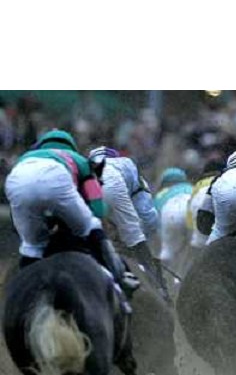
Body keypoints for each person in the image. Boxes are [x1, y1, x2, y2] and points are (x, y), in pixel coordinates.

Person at [4, 129, 139, 301]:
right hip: (57, 178)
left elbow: (18, 218)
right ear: (71, 147)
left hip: (17, 180)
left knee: (32, 247)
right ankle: (121, 277)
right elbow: (97, 208)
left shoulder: (26, 157)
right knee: (91, 225)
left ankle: (19, 292)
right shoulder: (79, 160)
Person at [89, 146, 168, 300]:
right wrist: (140, 242)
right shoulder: (126, 163)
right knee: (134, 235)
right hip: (112, 185)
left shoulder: (86, 165)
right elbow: (148, 216)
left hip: (88, 183)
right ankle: (158, 286)